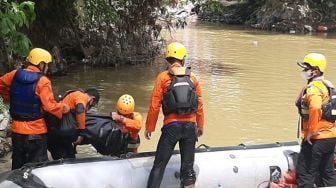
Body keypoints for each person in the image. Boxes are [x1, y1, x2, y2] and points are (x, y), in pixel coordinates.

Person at [144, 42, 204, 188]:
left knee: (158, 167)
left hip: (171, 127)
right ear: (183, 59)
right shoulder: (193, 78)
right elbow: (200, 104)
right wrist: (200, 125)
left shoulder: (163, 77)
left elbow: (154, 106)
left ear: (168, 59)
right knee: (188, 170)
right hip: (190, 127)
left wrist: (149, 127)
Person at [0, 48, 70, 170]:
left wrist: (7, 98)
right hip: (36, 132)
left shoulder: (14, 74)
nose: (47, 68)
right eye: (47, 64)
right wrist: (64, 107)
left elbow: (1, 84)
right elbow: (50, 107)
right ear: (41, 64)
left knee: (18, 168)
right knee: (39, 170)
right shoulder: (43, 81)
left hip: (17, 132)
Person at [295, 52, 336, 187]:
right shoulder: (328, 86)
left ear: (315, 71)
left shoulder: (314, 88)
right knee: (327, 172)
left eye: (306, 68)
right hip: (330, 137)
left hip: (316, 138)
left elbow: (315, 108)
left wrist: (311, 131)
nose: (304, 71)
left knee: (305, 173)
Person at [47, 88, 100, 159]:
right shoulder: (82, 97)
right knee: (64, 160)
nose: (89, 108)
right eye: (92, 105)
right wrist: (81, 134)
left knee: (70, 157)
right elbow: (80, 109)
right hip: (56, 134)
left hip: (56, 132)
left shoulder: (73, 97)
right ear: (92, 99)